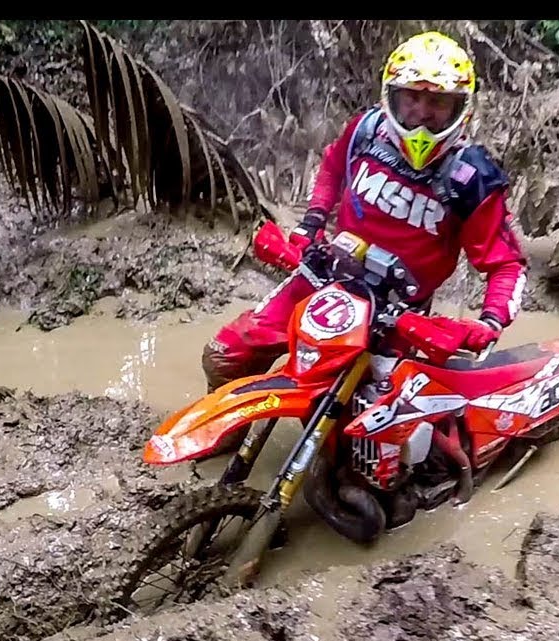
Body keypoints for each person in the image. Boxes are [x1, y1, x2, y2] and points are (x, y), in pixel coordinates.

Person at [202, 30, 528, 410]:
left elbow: (506, 264)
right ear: (392, 96)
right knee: (226, 353)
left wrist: (488, 323)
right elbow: (331, 167)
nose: (422, 113)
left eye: (437, 102)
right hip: (327, 277)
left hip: (399, 312)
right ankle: (227, 434)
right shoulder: (365, 131)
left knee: (366, 429)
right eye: (412, 97)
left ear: (460, 108)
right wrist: (313, 222)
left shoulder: (471, 177)